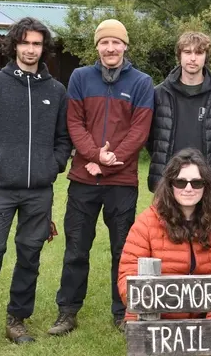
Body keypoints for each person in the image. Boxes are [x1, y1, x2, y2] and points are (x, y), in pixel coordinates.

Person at [0, 17, 71, 356]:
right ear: (14, 46)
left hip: (39, 191)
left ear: (43, 48)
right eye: (25, 43)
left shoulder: (56, 91)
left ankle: (17, 320)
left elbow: (64, 140)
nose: (31, 49)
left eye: (37, 44)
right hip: (0, 190)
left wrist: (54, 165)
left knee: (30, 256)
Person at [48, 19, 155, 336]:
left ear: (125, 46)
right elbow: (74, 124)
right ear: (97, 46)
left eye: (116, 42)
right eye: (104, 42)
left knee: (124, 251)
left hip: (121, 183)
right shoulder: (80, 78)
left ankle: (123, 312)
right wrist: (95, 157)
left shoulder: (141, 83)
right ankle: (67, 312)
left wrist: (107, 164)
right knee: (76, 249)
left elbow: (139, 131)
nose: (110, 48)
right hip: (83, 180)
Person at [117, 149, 211, 356]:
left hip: (202, 322)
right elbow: (127, 279)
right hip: (158, 322)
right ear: (170, 184)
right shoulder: (147, 223)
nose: (188, 188)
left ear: (206, 186)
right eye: (180, 181)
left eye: (196, 182)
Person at [148, 31, 211, 193]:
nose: (193, 58)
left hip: (205, 183)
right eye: (187, 52)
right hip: (165, 182)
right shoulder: (158, 95)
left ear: (206, 56)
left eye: (199, 52)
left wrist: (210, 165)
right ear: (179, 55)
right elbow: (150, 139)